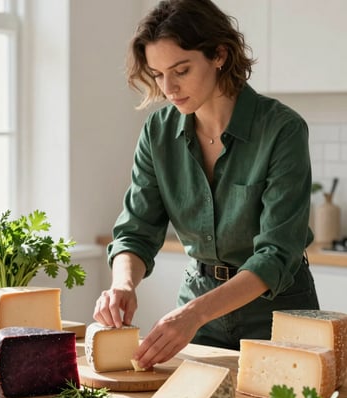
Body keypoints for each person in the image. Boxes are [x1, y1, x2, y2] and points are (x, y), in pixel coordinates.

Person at [93, 0, 319, 370]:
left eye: (181, 70)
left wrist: (192, 314)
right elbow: (136, 230)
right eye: (158, 74)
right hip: (199, 306)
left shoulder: (281, 129)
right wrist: (123, 285)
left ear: (219, 55)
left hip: (277, 314)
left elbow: (276, 254)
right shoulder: (158, 131)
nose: (168, 87)